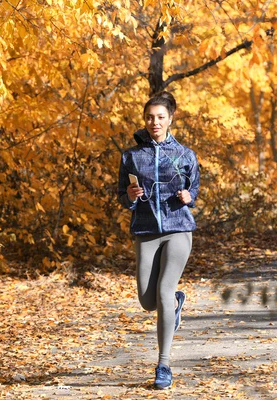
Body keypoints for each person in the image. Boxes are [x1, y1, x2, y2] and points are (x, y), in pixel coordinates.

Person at [117, 91, 200, 390]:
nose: (155, 122)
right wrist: (129, 196)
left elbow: (195, 191)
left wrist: (189, 198)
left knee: (163, 292)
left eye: (161, 117)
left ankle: (163, 365)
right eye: (150, 117)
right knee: (146, 301)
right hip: (145, 231)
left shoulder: (185, 155)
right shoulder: (130, 156)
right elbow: (120, 195)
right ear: (145, 119)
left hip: (179, 229)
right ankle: (176, 303)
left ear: (170, 119)